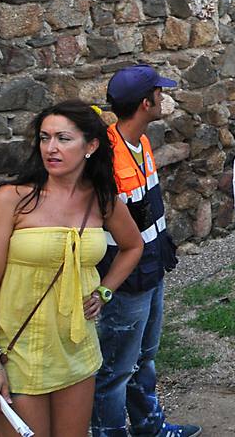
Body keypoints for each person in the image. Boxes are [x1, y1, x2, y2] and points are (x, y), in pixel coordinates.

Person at [0, 102, 144, 437]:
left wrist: (105, 291)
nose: (51, 148)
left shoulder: (102, 200)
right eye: (45, 138)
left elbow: (133, 246)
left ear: (90, 146)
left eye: (63, 138)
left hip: (76, 348)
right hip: (16, 351)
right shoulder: (13, 199)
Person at [94, 66, 198, 437]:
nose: (162, 98)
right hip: (126, 278)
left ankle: (150, 428)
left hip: (150, 268)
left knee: (143, 359)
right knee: (116, 370)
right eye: (158, 92)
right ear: (145, 103)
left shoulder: (141, 143)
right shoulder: (105, 156)